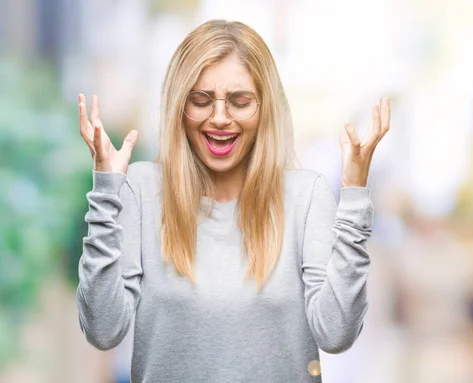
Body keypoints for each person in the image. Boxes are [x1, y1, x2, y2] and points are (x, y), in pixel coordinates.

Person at [75, 19, 390, 383]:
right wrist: (105, 192)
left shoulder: (306, 195)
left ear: (265, 107)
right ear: (180, 105)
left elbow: (336, 334)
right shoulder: (141, 189)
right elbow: (103, 330)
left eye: (240, 102)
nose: (220, 118)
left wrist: (353, 197)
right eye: (201, 100)